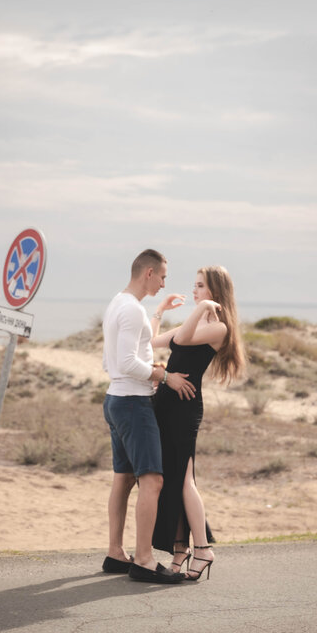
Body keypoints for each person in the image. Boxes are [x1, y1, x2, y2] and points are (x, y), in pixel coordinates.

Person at [101, 249, 196, 584]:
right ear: (149, 273)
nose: (164, 283)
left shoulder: (118, 303)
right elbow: (128, 363)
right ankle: (143, 560)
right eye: (163, 277)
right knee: (152, 480)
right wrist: (165, 376)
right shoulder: (131, 310)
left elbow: (112, 362)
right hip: (132, 405)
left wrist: (159, 312)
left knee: (124, 478)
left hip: (116, 399)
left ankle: (115, 553)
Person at [151, 265, 246, 581]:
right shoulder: (197, 321)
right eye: (195, 285)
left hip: (185, 408)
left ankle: (203, 549)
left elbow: (182, 339)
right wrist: (160, 310)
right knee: (172, 480)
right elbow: (153, 341)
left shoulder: (218, 328)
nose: (194, 291)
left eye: (201, 286)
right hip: (166, 406)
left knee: (184, 480)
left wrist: (204, 307)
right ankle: (180, 550)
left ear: (216, 291)